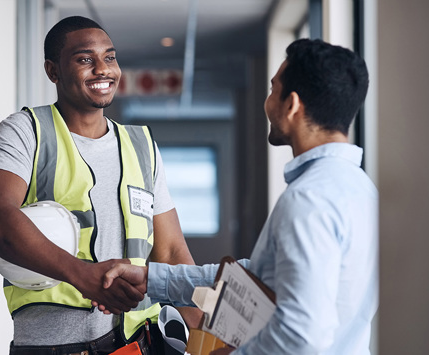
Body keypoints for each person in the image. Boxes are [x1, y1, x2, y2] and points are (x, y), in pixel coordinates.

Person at [96, 38, 377, 355]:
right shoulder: (361, 188)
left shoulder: (309, 199)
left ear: (292, 105)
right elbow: (261, 274)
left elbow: (300, 337)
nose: (267, 101)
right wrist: (151, 279)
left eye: (272, 90)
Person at [0, 16, 201, 354]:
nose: (102, 69)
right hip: (54, 347)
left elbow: (170, 252)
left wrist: (210, 335)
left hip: (138, 343)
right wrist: (83, 276)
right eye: (84, 59)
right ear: (53, 71)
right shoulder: (27, 131)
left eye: (109, 57)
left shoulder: (142, 146)